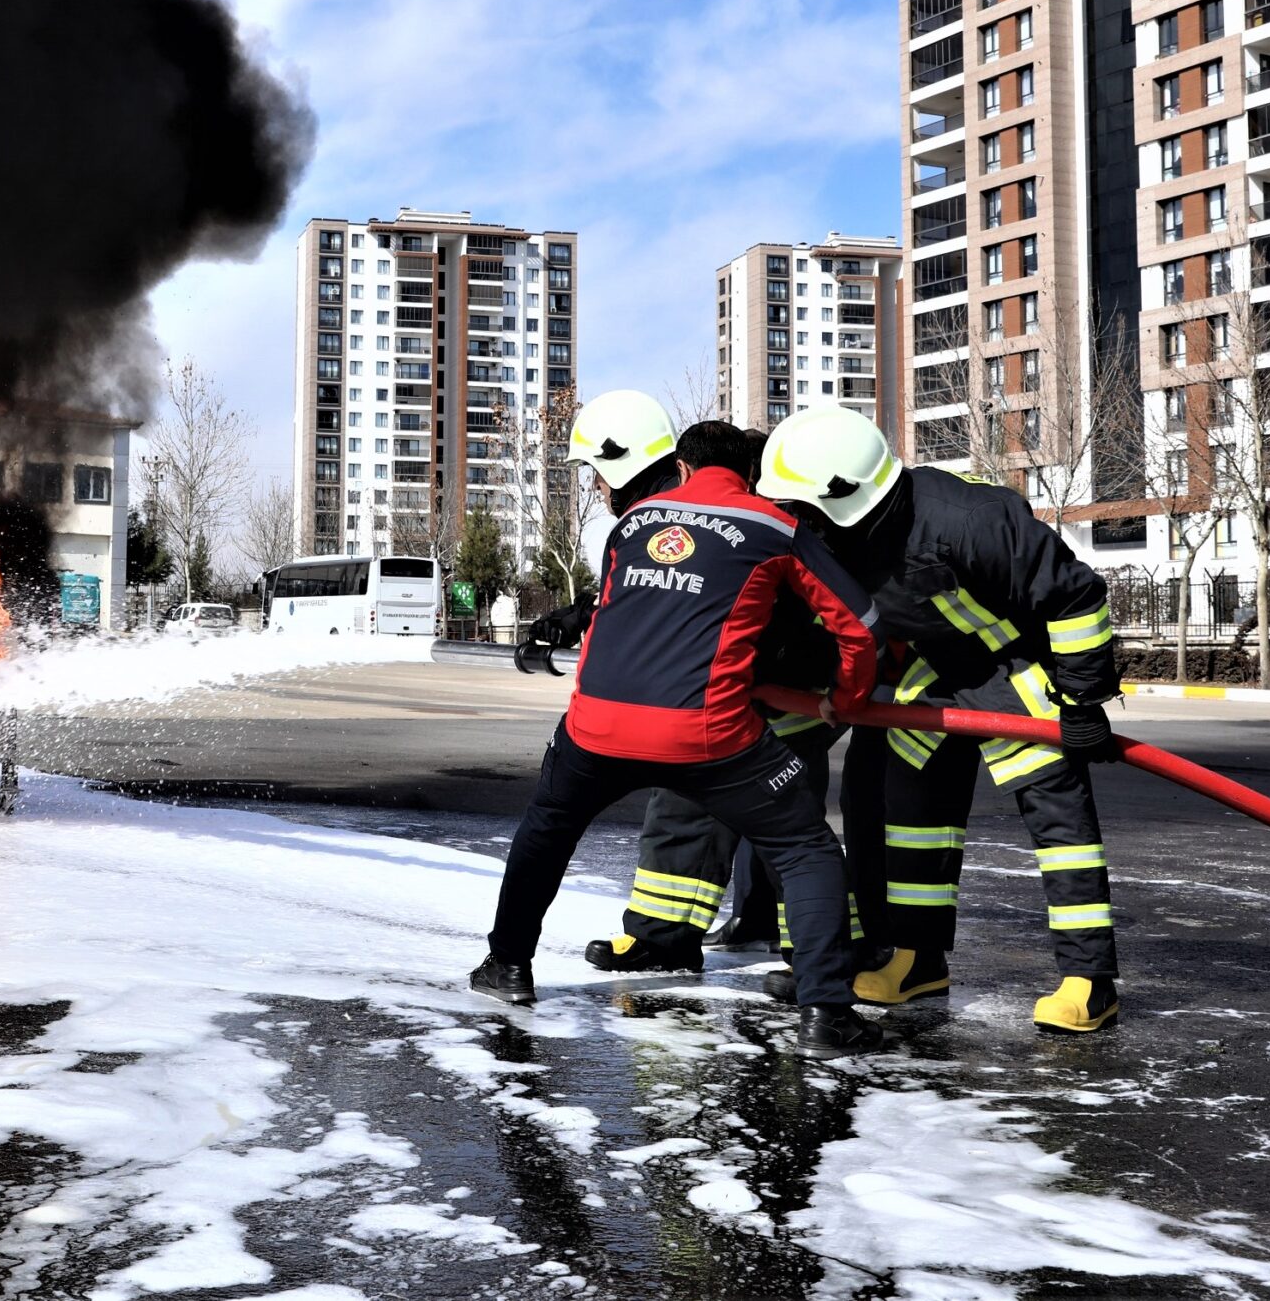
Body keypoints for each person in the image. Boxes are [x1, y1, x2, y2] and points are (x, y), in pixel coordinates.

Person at [472, 390, 887, 1059]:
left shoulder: (632, 524)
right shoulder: (775, 525)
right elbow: (860, 624)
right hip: (709, 731)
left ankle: (507, 966)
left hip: (594, 726)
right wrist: (847, 694)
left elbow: (621, 609)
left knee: (546, 829)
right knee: (806, 848)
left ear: (684, 467)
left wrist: (564, 623)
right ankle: (826, 1011)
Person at [757, 405, 1127, 1034]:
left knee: (1059, 823)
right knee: (908, 810)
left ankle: (1090, 980)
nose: (795, 521)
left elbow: (1075, 596)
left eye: (803, 508)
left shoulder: (971, 519)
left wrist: (1084, 700)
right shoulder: (837, 534)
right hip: (936, 674)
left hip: (1020, 674)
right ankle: (918, 957)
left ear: (844, 494)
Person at [572, 422, 861, 972]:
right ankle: (663, 935)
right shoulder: (693, 518)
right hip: (720, 699)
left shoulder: (788, 524)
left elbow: (828, 615)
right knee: (681, 810)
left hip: (788, 697)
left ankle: (817, 954)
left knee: (789, 825)